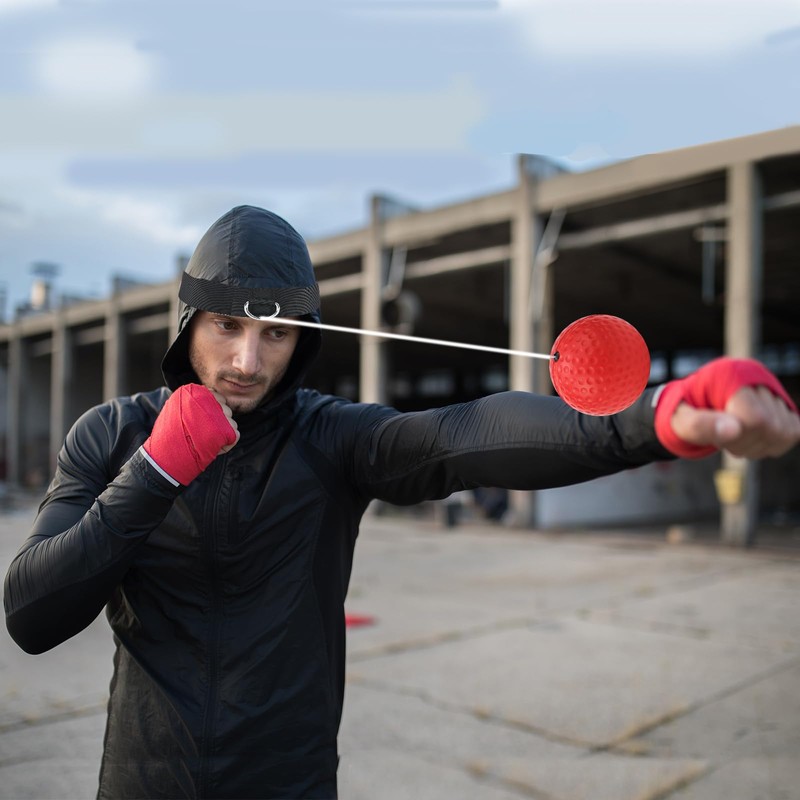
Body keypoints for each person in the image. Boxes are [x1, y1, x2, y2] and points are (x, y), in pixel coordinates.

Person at [4, 205, 799, 799]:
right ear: (188, 324)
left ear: (303, 337)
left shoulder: (329, 437)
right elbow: (32, 615)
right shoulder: (110, 434)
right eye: (225, 326)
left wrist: (660, 414)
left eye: (275, 336)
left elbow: (465, 432)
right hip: (146, 784)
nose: (246, 360)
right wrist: (154, 469)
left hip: (291, 782)